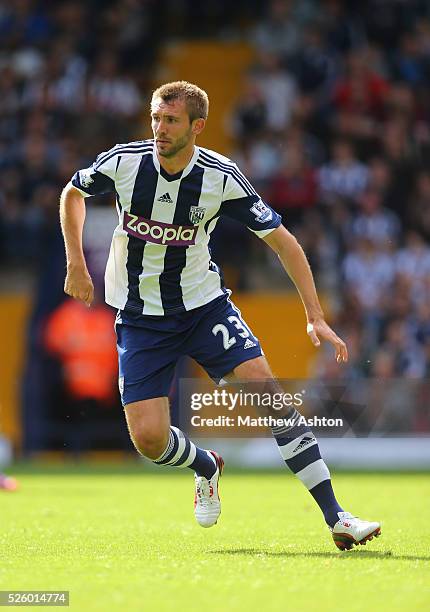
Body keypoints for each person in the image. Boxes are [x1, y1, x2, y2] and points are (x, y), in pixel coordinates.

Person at [60, 81, 380, 551]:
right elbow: (72, 192)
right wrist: (75, 262)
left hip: (203, 308)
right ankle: (205, 465)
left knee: (271, 397)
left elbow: (284, 242)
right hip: (141, 316)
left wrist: (315, 315)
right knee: (148, 440)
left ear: (197, 126)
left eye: (170, 121)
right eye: (155, 117)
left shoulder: (221, 177)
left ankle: (338, 517)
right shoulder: (126, 162)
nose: (159, 129)